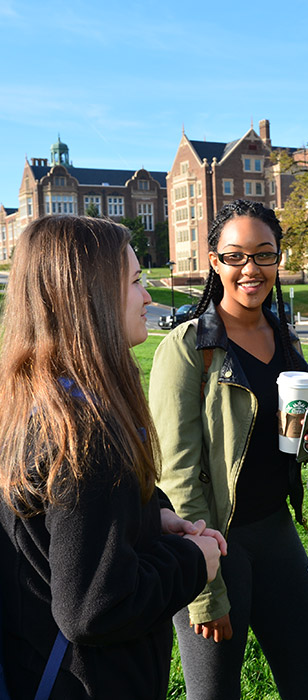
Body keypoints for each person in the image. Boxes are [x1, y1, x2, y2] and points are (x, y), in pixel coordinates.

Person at [0, 215, 225, 700]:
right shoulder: (85, 437)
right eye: (138, 282)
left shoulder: (33, 402)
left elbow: (59, 529)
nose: (148, 298)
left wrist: (151, 515)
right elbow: (95, 606)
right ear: (90, 299)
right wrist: (193, 560)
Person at [149, 200, 308, 700]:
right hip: (211, 542)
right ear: (214, 261)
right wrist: (204, 591)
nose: (250, 269)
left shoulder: (286, 340)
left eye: (264, 255)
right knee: (214, 694)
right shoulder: (189, 348)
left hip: (276, 534)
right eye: (235, 257)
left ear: (278, 259)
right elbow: (176, 473)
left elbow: (293, 438)